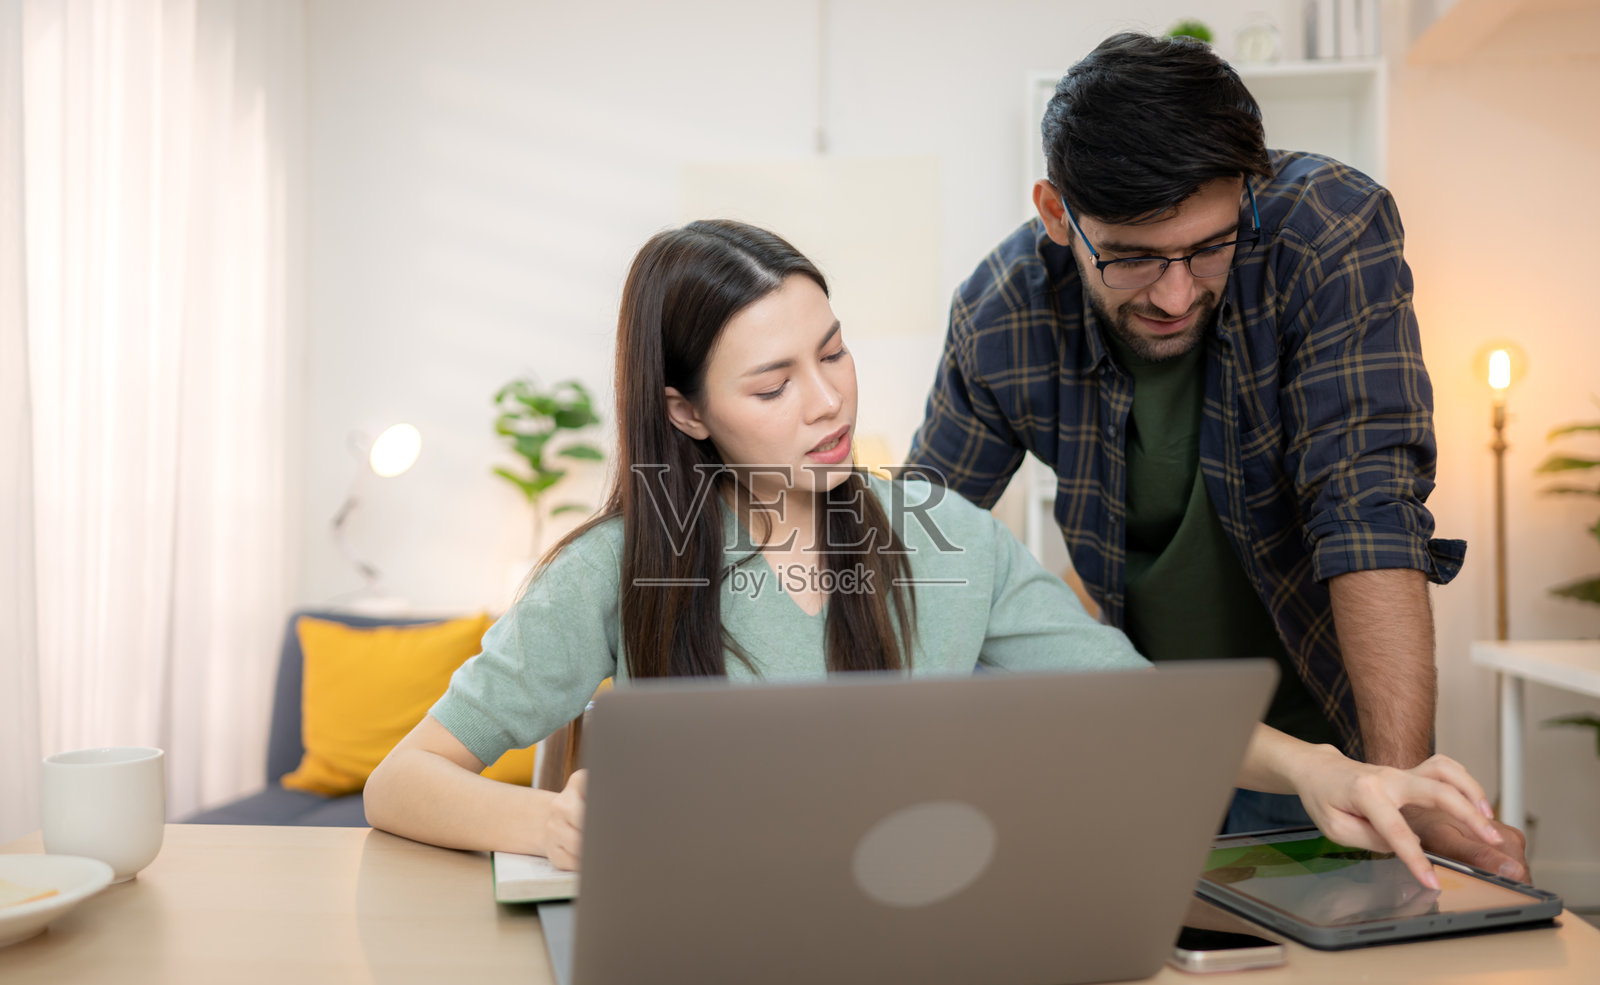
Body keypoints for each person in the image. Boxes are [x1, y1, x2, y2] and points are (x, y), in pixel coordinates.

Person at [364, 219, 1505, 888]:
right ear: (687, 412)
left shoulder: (942, 538)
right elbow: (403, 779)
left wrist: (1327, 769)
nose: (826, 403)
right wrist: (547, 821)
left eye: (834, 351)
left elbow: (1142, 708)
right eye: (772, 383)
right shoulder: (617, 570)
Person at [904, 32, 1528, 879]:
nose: (1174, 293)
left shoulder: (1329, 232)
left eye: (1208, 246)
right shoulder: (1000, 311)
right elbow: (919, 547)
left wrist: (1397, 790)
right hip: (1157, 737)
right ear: (1057, 215)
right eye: (1130, 257)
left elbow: (1367, 510)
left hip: (1333, 739)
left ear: (1249, 190)